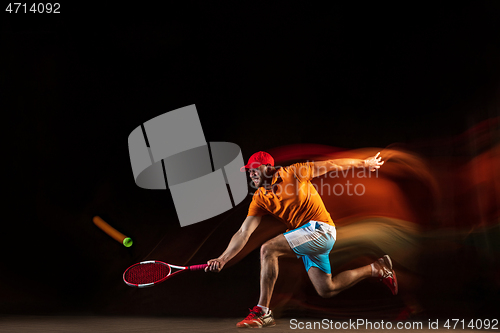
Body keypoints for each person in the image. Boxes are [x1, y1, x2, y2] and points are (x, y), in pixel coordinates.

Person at [205, 151, 397, 328]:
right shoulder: (260, 198)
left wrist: (363, 163)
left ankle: (263, 311)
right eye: (249, 171)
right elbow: (243, 232)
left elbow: (332, 165)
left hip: (321, 230)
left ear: (269, 168)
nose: (252, 173)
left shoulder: (294, 172)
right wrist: (223, 258)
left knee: (268, 249)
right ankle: (377, 269)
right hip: (305, 237)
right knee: (326, 288)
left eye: (255, 169)